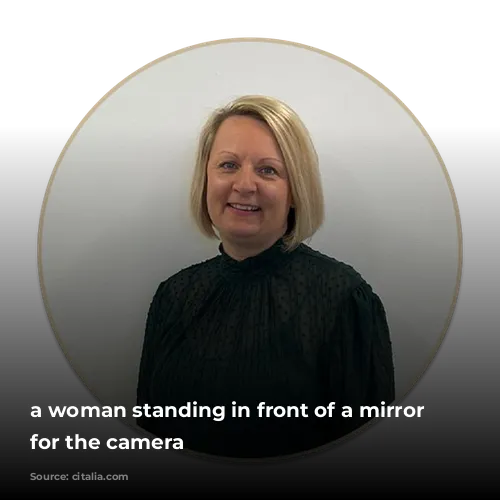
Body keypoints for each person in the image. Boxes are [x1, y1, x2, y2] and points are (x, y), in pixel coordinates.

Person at [136, 95, 395, 458]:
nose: (244, 185)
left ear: (295, 191)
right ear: (206, 179)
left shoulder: (343, 298)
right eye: (227, 165)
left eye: (268, 170)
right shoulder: (174, 295)